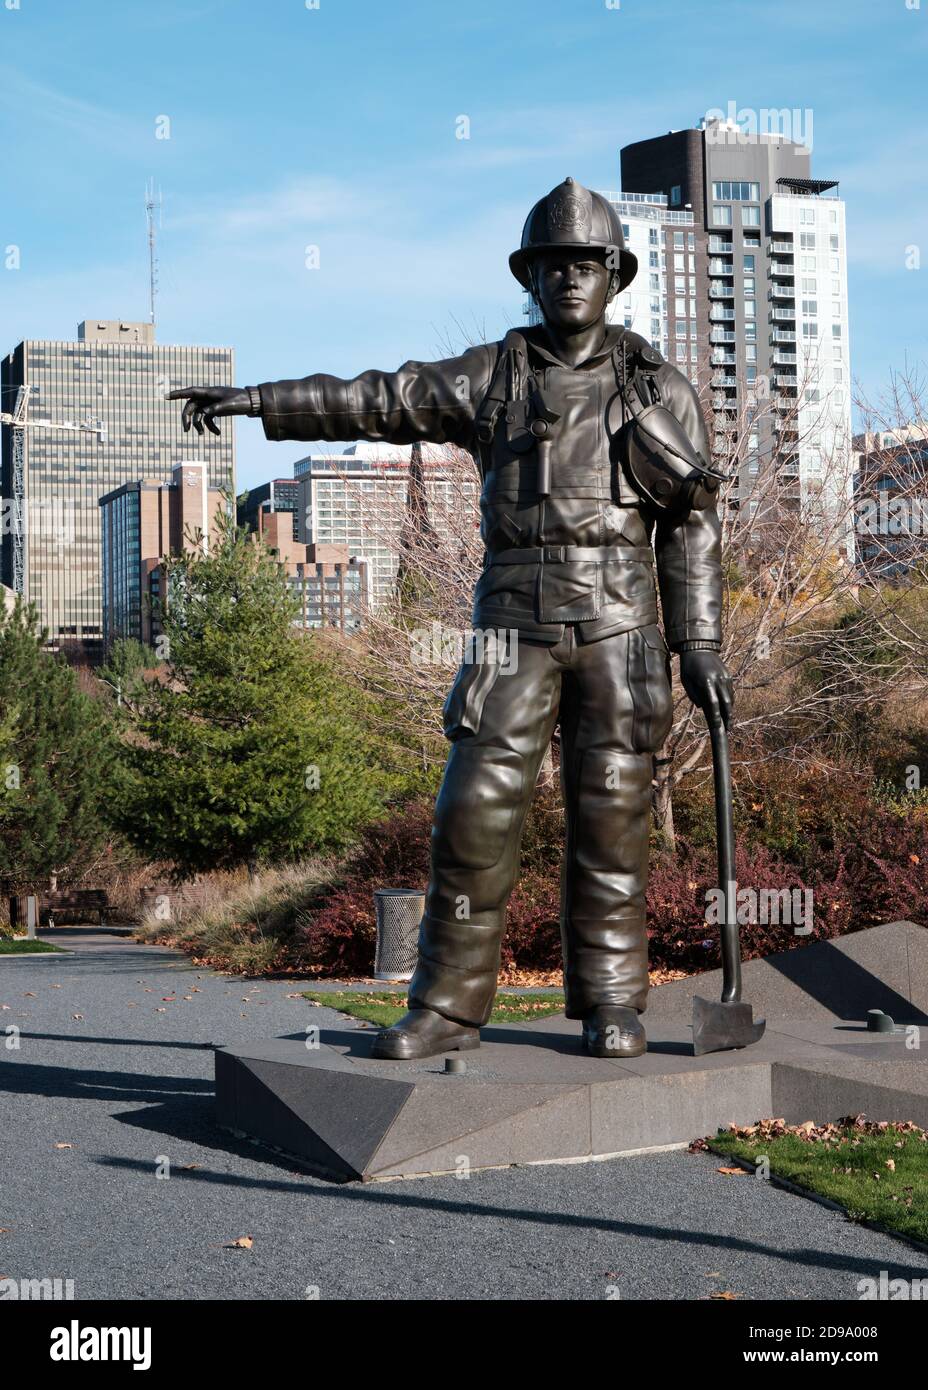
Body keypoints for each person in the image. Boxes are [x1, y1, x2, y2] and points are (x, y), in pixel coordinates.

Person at [169, 176, 732, 1062]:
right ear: (532, 278)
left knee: (613, 820)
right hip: (512, 619)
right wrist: (259, 401)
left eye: (586, 264)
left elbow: (693, 527)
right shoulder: (494, 372)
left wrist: (699, 644)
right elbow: (382, 397)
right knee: (472, 815)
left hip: (623, 624)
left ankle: (614, 1003)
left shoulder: (660, 388)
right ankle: (447, 1005)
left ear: (616, 275)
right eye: (552, 266)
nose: (569, 280)